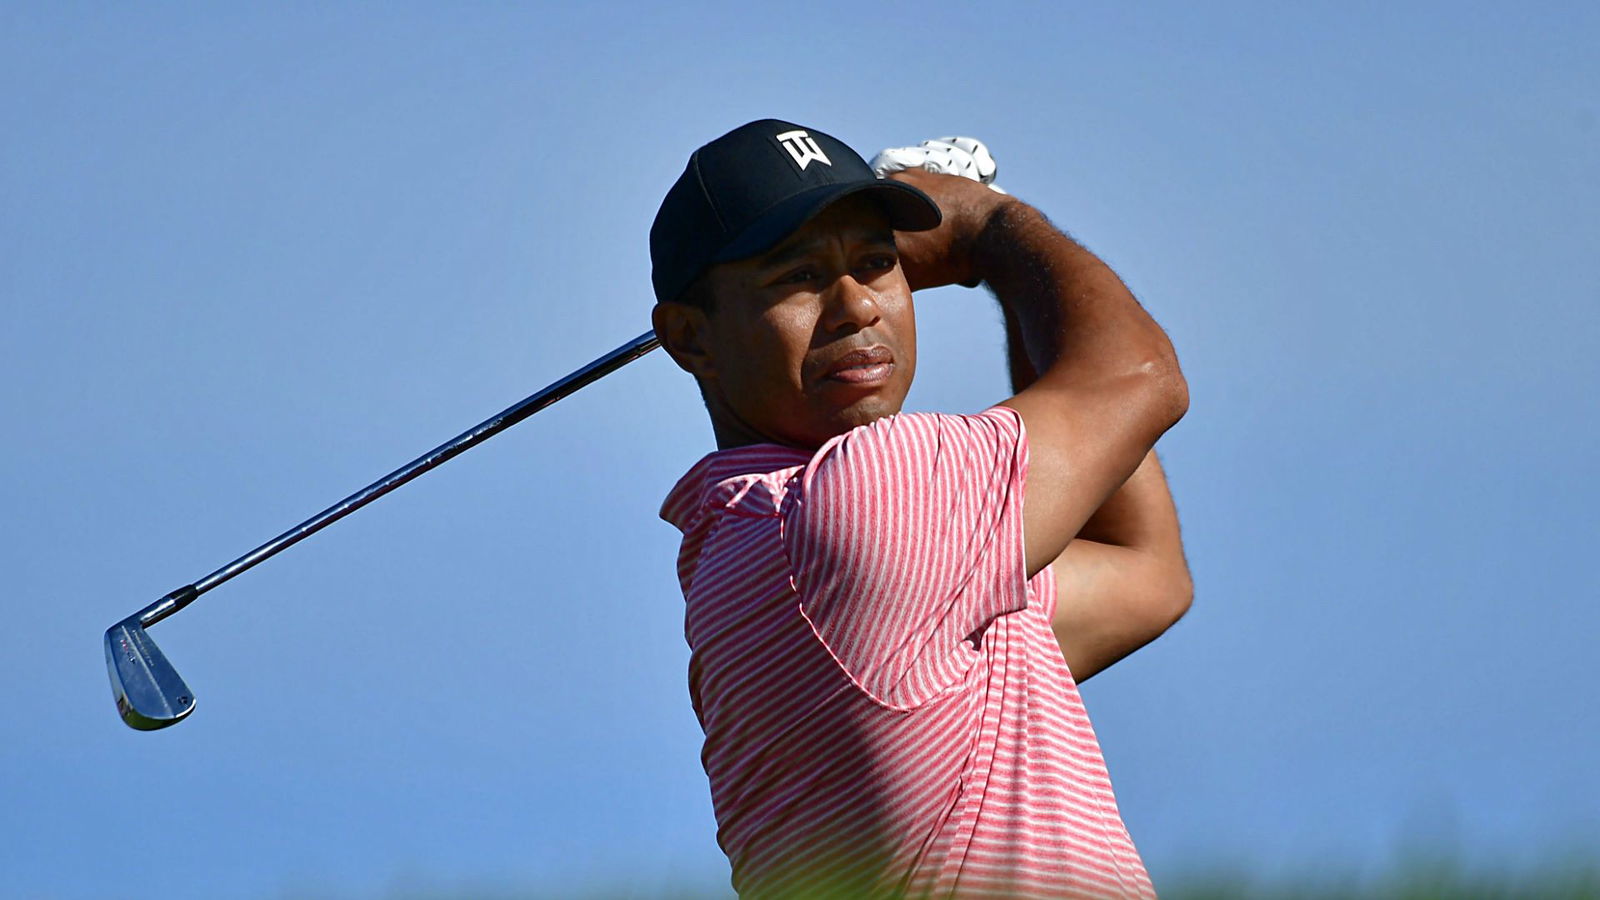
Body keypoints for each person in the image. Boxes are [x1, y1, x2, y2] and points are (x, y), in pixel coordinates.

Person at [650, 119, 1191, 899]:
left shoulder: (750, 544)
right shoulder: (855, 505)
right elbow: (1139, 376)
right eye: (796, 277)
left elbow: (1144, 574)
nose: (854, 307)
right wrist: (989, 224)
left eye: (876, 265)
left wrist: (1005, 267)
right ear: (691, 338)